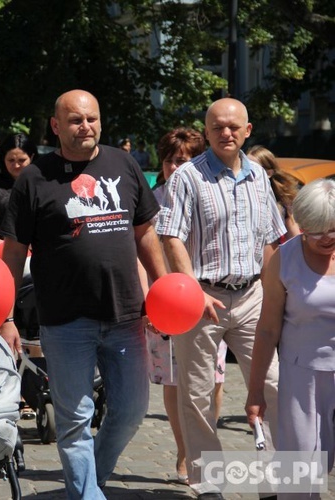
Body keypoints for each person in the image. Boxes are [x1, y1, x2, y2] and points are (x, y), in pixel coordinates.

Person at [0, 90, 167, 499]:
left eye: (92, 118)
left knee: (129, 412)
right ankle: (87, 493)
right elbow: (15, 250)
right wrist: (5, 315)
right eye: (75, 120)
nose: (85, 127)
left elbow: (145, 232)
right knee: (74, 420)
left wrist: (162, 289)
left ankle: (93, 479)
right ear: (56, 126)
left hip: (126, 314)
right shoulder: (34, 178)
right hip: (65, 321)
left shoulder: (124, 164)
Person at [156, 98, 286, 499]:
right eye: (217, 127)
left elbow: (270, 241)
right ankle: (209, 485)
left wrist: (277, 294)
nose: (226, 133)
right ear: (207, 131)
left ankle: (279, 482)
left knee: (274, 385)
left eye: (234, 127)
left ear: (248, 130)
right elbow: (170, 235)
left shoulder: (259, 178)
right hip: (201, 298)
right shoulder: (187, 178)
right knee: (195, 395)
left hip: (251, 296)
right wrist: (191, 289)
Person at [144, 127, 226, 485]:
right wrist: (149, 304)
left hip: (210, 300)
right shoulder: (150, 201)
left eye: (188, 160)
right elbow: (141, 254)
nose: (179, 168)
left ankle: (205, 454)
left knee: (213, 378)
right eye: (172, 161)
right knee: (174, 380)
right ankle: (184, 452)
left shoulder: (212, 194)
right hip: (164, 303)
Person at [245, 179, 335, 497]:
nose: (325, 238)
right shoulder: (285, 260)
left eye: (332, 229)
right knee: (300, 474)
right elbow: (268, 329)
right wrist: (256, 391)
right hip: (302, 378)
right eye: (314, 230)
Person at [247, 145, 301, 241]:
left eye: (253, 169)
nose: (246, 173)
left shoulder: (282, 203)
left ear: (269, 173)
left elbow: (294, 239)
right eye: (244, 167)